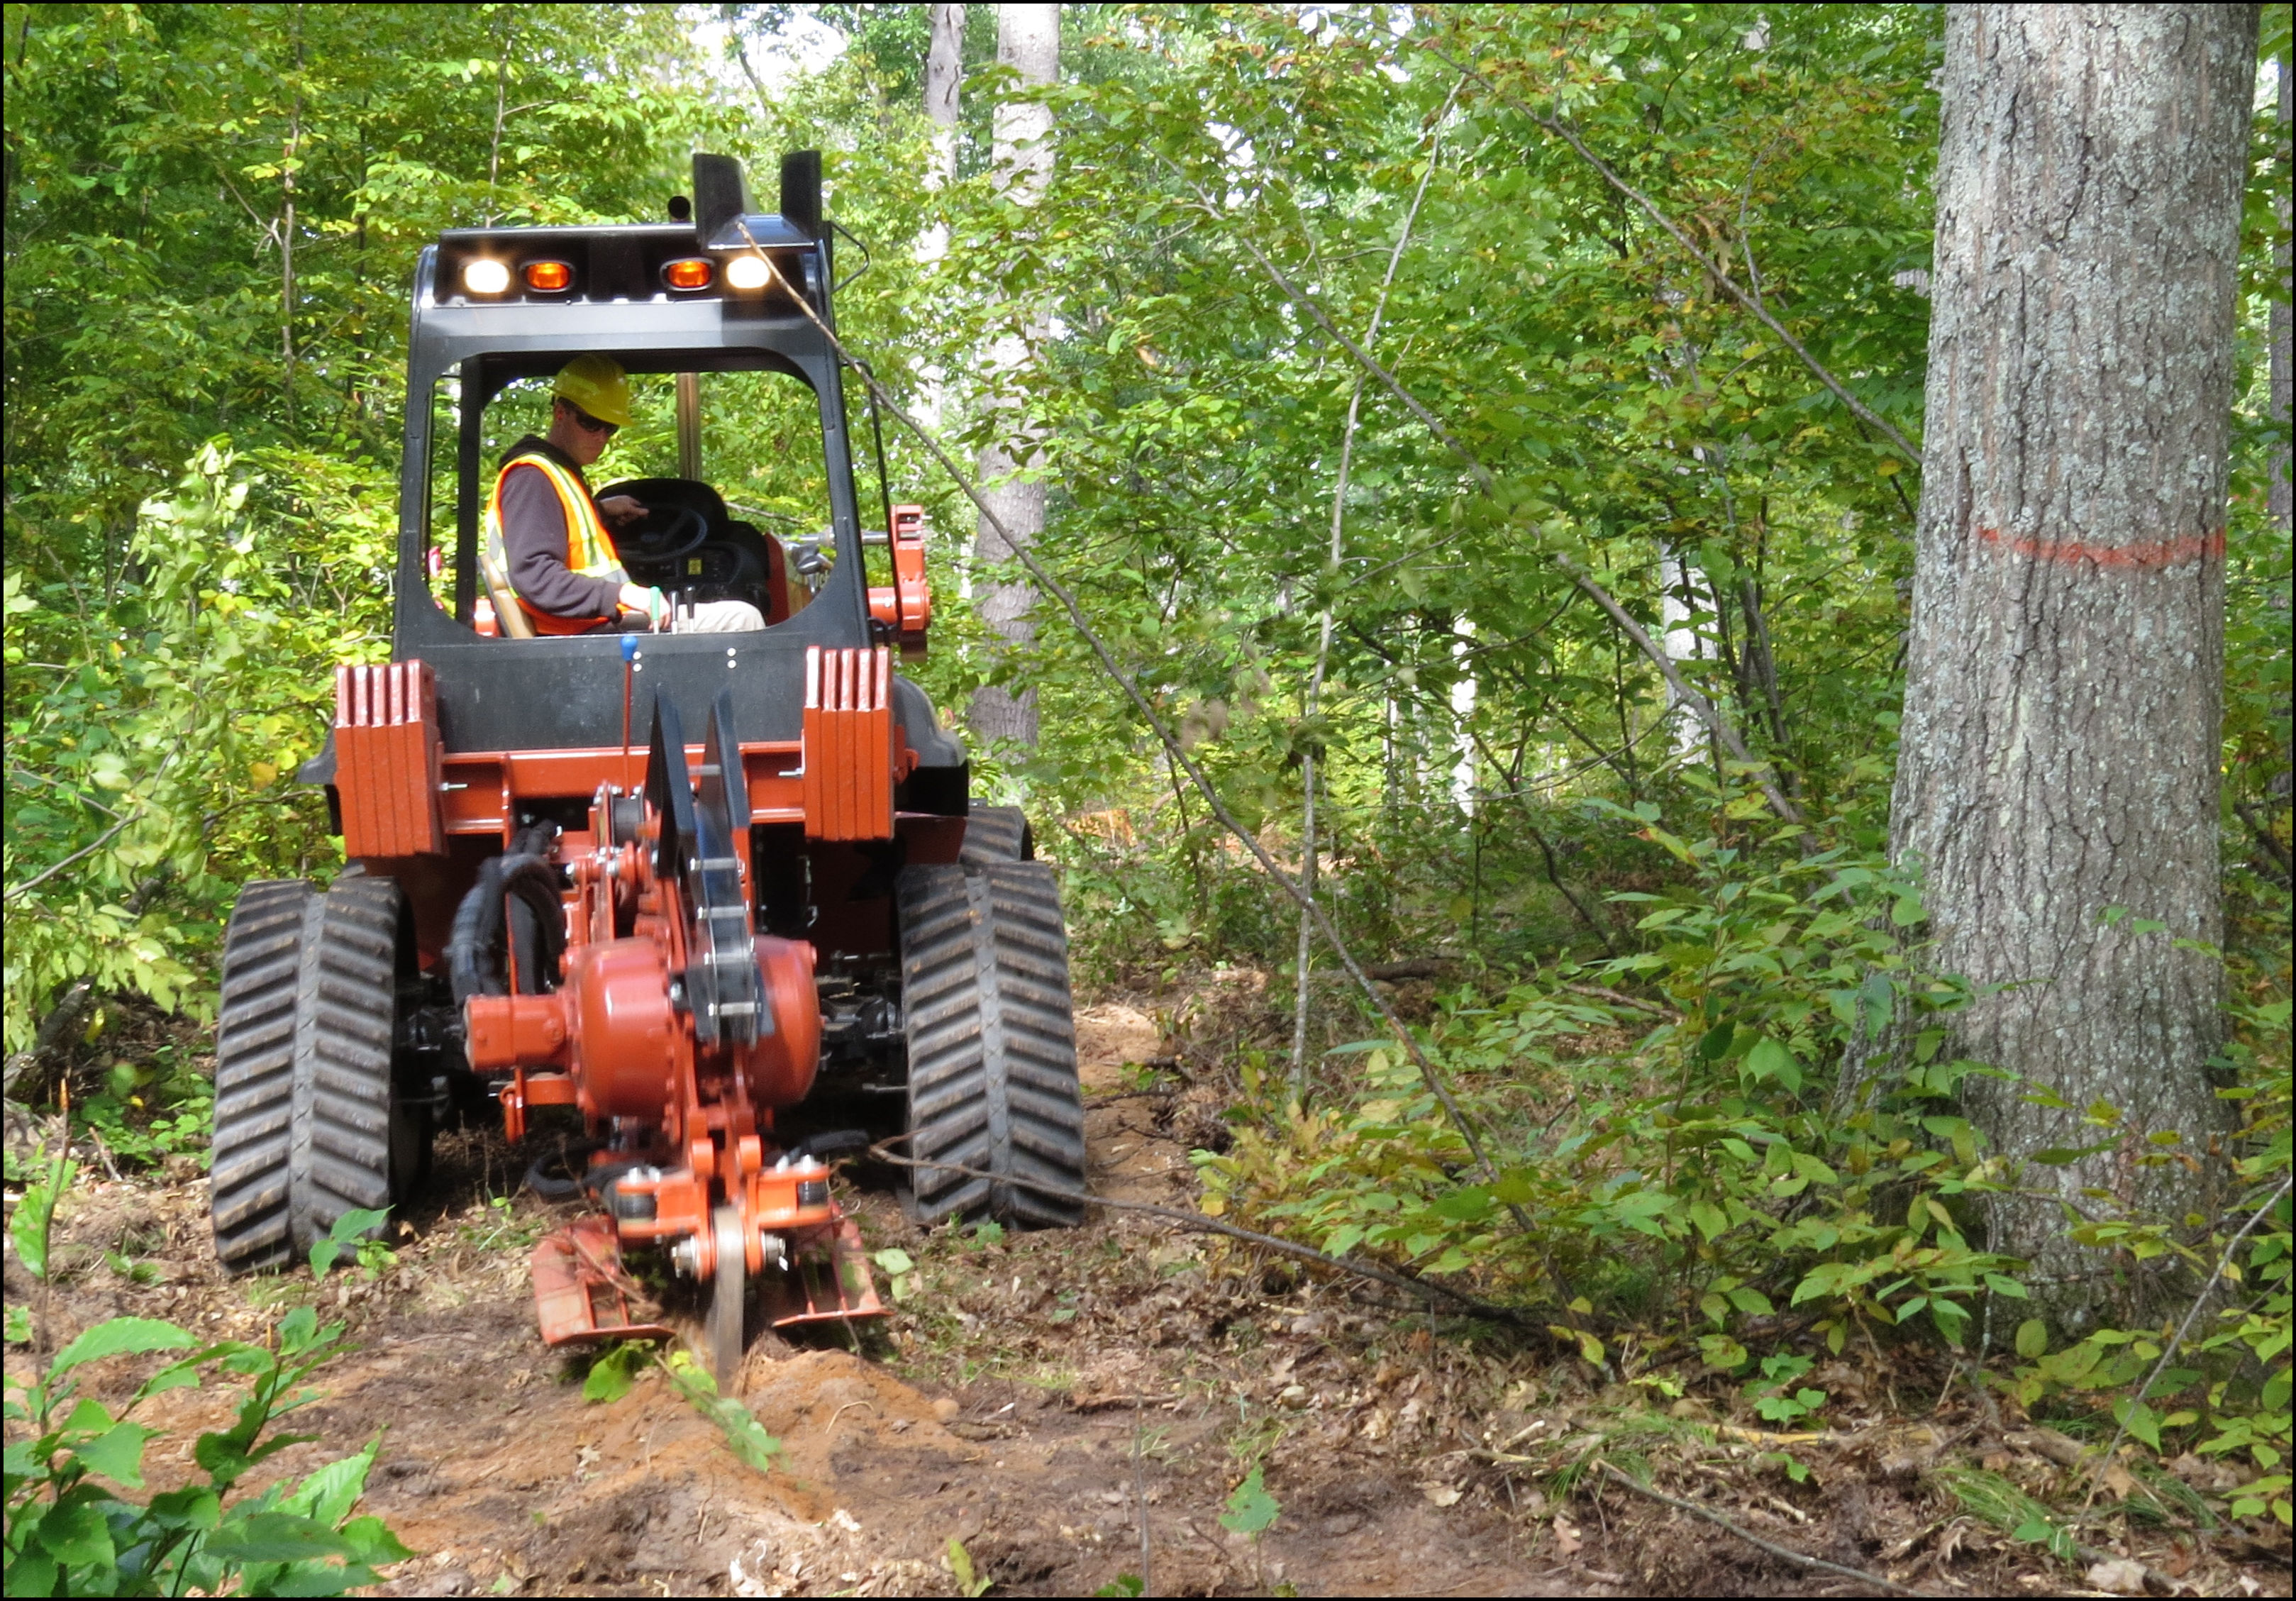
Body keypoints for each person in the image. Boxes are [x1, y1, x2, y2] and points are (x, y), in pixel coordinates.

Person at [484, 355, 764, 636]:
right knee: (742, 618)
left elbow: (562, 528)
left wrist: (602, 511)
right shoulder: (531, 478)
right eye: (592, 423)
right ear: (561, 412)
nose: (601, 437)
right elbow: (536, 577)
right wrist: (621, 595)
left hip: (588, 627)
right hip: (581, 634)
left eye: (610, 428)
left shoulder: (556, 474)